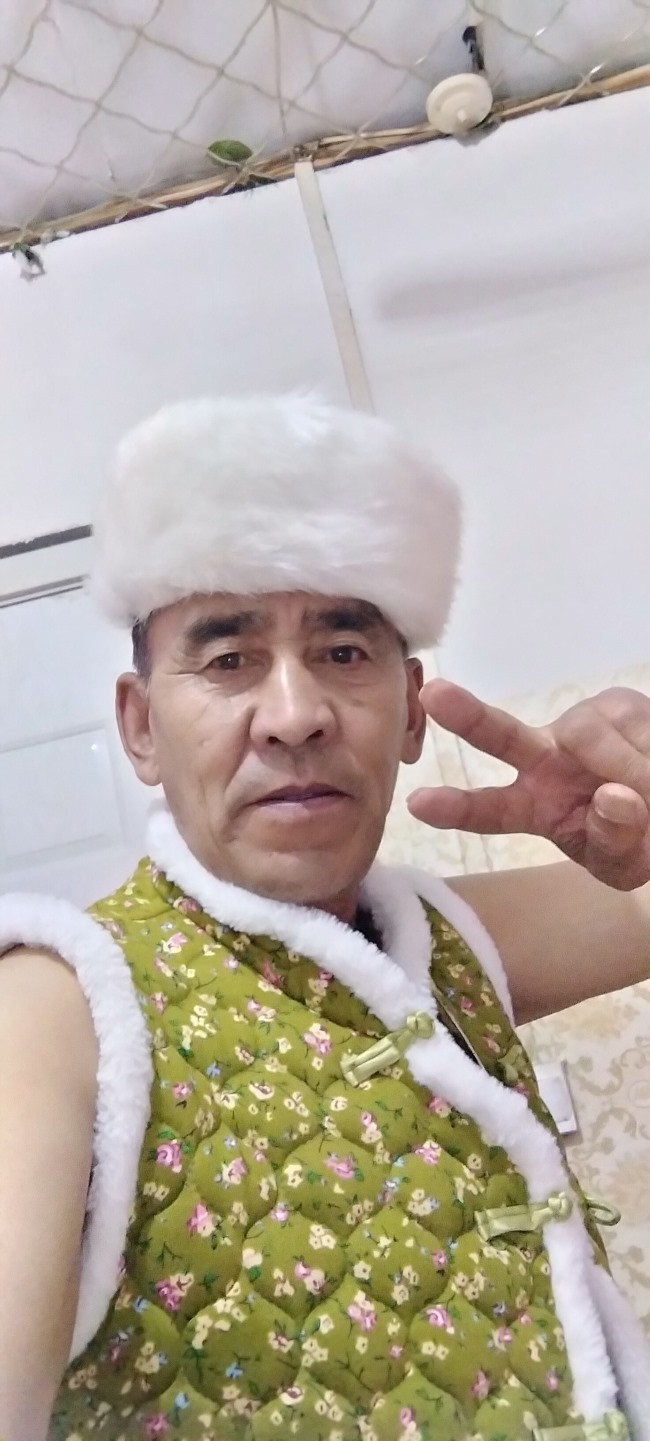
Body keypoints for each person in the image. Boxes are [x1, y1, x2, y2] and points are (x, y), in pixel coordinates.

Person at [0, 393, 649, 1441]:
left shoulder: (445, 941)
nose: (296, 714)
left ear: (410, 708)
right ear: (140, 726)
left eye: (344, 652)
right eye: (227, 658)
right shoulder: (53, 1009)